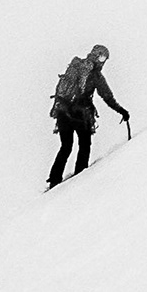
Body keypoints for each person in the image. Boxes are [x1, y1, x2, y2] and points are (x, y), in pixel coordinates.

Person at [46, 43, 130, 189]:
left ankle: (54, 180)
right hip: (79, 114)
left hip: (62, 111)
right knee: (84, 145)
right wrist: (122, 111)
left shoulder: (76, 66)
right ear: (97, 55)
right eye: (103, 57)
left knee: (66, 146)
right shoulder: (96, 75)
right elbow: (107, 97)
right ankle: (80, 176)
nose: (103, 61)